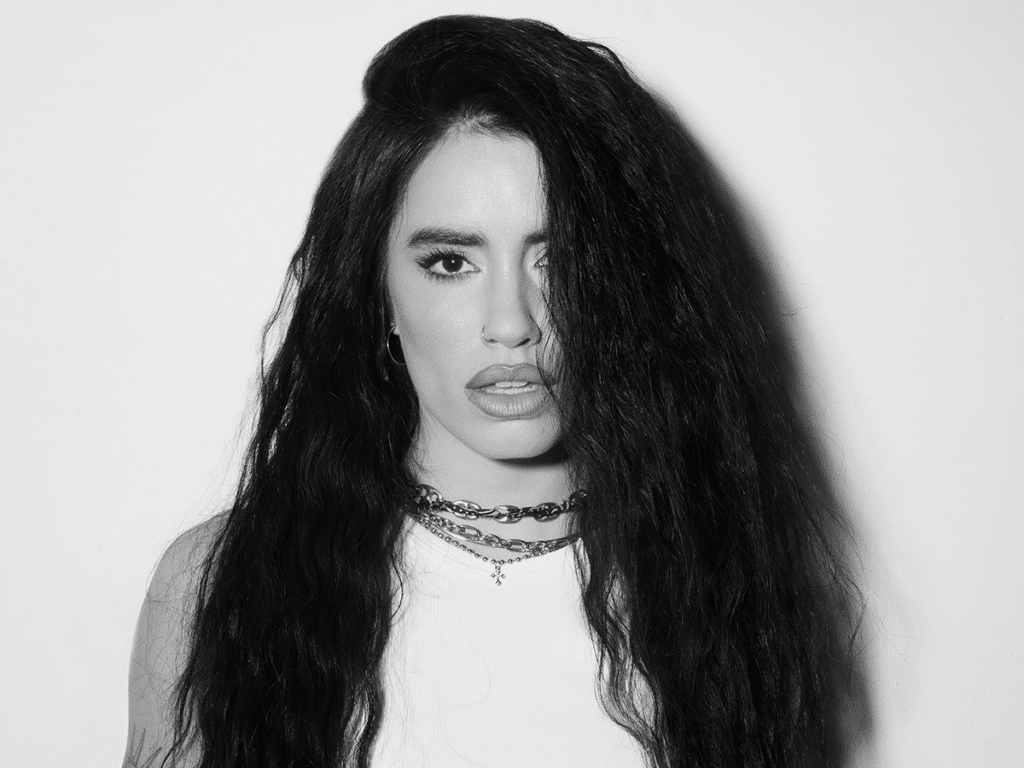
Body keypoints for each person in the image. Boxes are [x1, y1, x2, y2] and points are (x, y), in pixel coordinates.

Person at [123, 14, 869, 768]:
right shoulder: (223, 587)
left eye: (559, 260)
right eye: (451, 262)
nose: (511, 324)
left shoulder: (724, 590)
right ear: (378, 295)